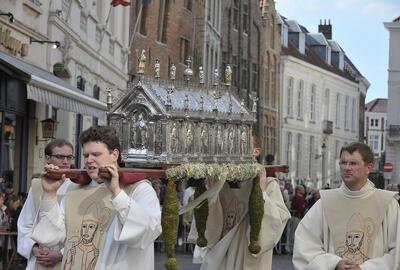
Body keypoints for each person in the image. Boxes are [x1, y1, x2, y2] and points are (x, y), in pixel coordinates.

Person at [31, 126, 162, 270]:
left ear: (114, 155)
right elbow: (50, 237)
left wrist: (117, 193)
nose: (89, 160)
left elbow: (146, 234)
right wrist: (49, 195)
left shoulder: (140, 190)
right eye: (86, 155)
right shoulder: (74, 190)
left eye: (96, 154)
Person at [293, 142, 400, 270]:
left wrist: (366, 268)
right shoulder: (326, 202)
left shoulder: (387, 203)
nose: (347, 168)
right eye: (343, 163)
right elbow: (305, 244)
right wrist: (334, 263)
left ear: (369, 167)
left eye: (353, 163)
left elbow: (397, 251)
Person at [189, 135, 290, 270]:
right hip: (221, 261)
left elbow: (274, 228)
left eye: (242, 146)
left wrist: (261, 191)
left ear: (256, 151)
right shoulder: (220, 184)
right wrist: (210, 191)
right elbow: (208, 232)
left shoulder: (269, 185)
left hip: (247, 261)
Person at [18, 139, 77, 270]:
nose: (65, 161)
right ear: (47, 158)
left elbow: (80, 229)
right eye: (60, 156)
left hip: (67, 260)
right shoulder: (37, 185)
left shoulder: (78, 186)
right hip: (40, 258)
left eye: (69, 157)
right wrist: (33, 248)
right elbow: (25, 223)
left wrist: (62, 253)